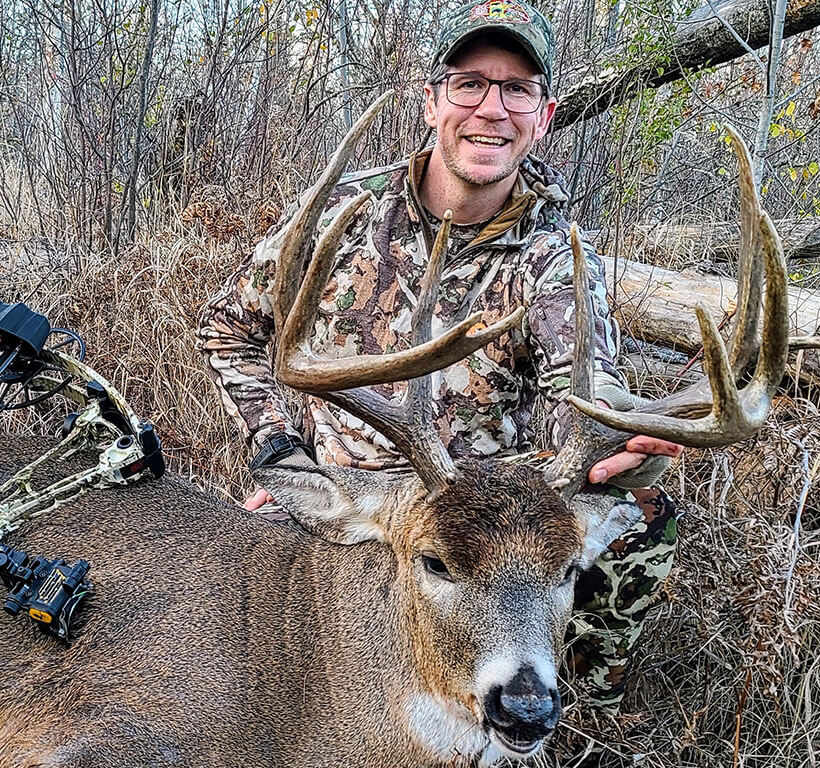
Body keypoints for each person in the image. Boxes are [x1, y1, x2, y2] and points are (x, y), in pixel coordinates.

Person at [197, 0, 680, 713]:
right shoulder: (343, 213)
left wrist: (613, 442)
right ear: (431, 102)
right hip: (355, 500)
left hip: (488, 520)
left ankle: (579, 714)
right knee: (223, 648)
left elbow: (576, 388)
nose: (492, 108)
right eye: (469, 84)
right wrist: (278, 454)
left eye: (517, 89)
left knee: (642, 515)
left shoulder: (554, 256)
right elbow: (227, 329)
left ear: (542, 115)